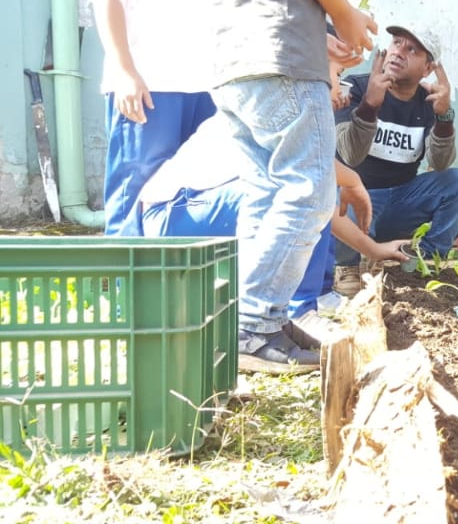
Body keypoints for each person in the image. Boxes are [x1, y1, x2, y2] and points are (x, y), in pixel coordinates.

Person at [209, 0, 377, 369]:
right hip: (284, 61)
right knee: (310, 193)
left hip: (235, 61)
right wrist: (342, 13)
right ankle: (254, 324)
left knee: (266, 194)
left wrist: (320, 35)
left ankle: (256, 317)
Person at [137, 116, 408, 368]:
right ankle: (296, 311)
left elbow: (323, 210)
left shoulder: (293, 111)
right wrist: (354, 179)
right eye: (338, 75)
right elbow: (316, 182)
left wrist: (374, 250)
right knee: (305, 188)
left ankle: (282, 316)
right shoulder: (277, 107)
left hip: (199, 211)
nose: (342, 92)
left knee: (309, 190)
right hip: (173, 215)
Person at [333, 25, 458, 295]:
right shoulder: (356, 87)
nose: (398, 52)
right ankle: (346, 267)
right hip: (356, 199)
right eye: (397, 43)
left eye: (412, 49)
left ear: (427, 69)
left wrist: (444, 117)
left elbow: (441, 163)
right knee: (342, 190)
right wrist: (370, 106)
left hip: (402, 201)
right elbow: (349, 155)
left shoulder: (428, 101)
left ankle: (423, 261)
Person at [91, 0, 218, 235]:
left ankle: (187, 280)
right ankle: (125, 279)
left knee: (204, 197)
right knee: (135, 203)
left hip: (212, 86)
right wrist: (125, 71)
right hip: (150, 85)